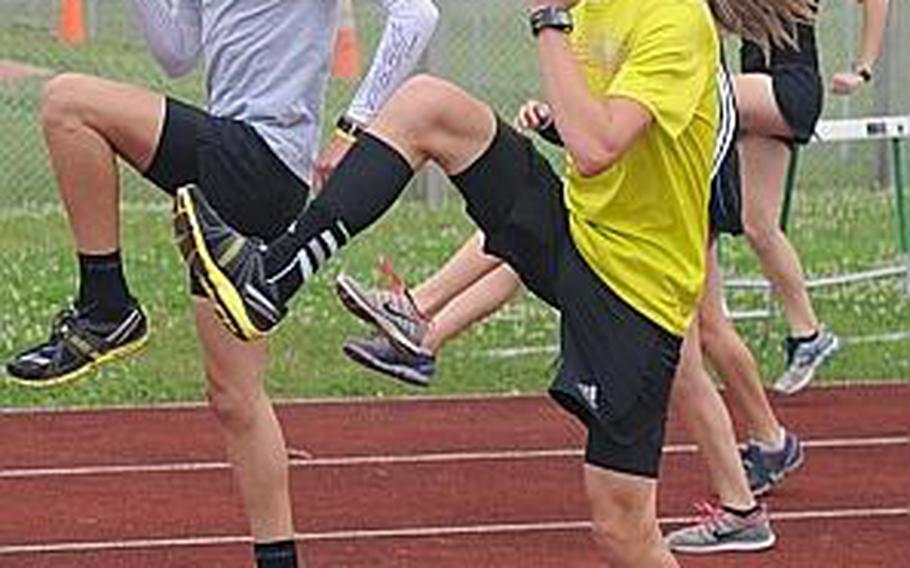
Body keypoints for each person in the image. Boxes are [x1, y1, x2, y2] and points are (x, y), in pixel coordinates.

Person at [172, 1, 815, 563]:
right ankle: (272, 280)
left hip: (635, 296)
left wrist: (548, 21)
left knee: (623, 530)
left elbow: (597, 147)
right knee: (429, 105)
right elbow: (588, 131)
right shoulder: (590, 9)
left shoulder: (673, 20)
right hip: (576, 234)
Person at [5, 1, 439, 566]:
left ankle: (105, 305)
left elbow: (416, 15)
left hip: (263, 160)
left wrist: (357, 127)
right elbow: (177, 55)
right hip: (227, 169)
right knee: (235, 396)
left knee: (68, 102)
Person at [735, 0, 890, 394]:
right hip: (759, 93)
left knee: (705, 90)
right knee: (758, 225)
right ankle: (809, 335)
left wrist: (863, 68)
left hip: (790, 87)